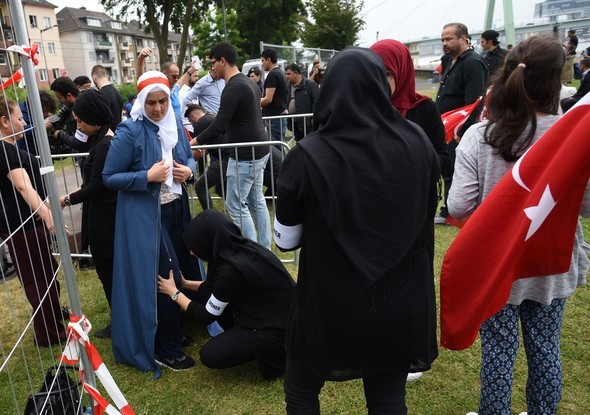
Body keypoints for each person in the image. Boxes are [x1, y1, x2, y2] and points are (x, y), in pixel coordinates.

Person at [274, 47, 439, 415]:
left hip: (330, 304)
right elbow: (426, 215)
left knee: (301, 391)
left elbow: (286, 239)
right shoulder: (418, 143)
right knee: (388, 400)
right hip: (399, 298)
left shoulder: (306, 154)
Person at [447, 36, 589, 415]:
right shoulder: (572, 139)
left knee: (498, 349)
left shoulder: (479, 136)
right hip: (551, 263)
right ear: (556, 81)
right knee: (546, 348)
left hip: (497, 264)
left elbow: (458, 204)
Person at [103, 71, 197, 375]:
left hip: (176, 210)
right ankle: (167, 348)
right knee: (163, 275)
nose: (158, 108)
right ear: (142, 102)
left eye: (162, 102)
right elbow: (109, 177)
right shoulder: (129, 131)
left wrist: (189, 172)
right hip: (148, 218)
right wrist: (146, 176)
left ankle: (170, 332)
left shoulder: (174, 124)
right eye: (151, 103)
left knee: (180, 270)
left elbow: (190, 159)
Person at [370, 38, 448, 383]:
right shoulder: (362, 108)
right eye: (375, 72)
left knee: (412, 280)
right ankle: (375, 345)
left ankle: (410, 352)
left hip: (414, 212)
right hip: (373, 212)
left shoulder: (422, 110)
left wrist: (407, 153)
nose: (381, 81)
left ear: (401, 72)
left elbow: (444, 159)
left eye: (387, 73)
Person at [158, 210, 295, 379]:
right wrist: (186, 284)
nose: (191, 253)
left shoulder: (230, 271)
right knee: (213, 300)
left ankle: (274, 352)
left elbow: (206, 315)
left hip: (274, 331)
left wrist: (174, 293)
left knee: (209, 354)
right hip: (283, 318)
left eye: (194, 247)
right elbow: (216, 288)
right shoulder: (239, 250)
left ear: (207, 243)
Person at [0, 99, 67, 347]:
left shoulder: (9, 147)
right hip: (22, 226)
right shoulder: (3, 150)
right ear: (4, 122)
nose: (24, 122)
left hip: (29, 223)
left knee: (46, 273)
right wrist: (47, 214)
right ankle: (48, 334)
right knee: (37, 280)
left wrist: (46, 209)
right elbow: (22, 185)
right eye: (19, 118)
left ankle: (52, 318)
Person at [195, 42, 271, 249]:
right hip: (259, 150)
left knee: (236, 205)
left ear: (222, 61)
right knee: (256, 201)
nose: (212, 69)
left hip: (246, 154)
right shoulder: (249, 83)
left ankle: (251, 252)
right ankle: (263, 249)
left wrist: (192, 142)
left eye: (213, 63)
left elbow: (218, 125)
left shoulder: (233, 87)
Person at [59, 89, 117, 339]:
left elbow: (95, 187)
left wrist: (66, 199)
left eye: (81, 121)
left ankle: (120, 320)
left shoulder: (104, 145)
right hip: (104, 215)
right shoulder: (102, 140)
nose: (78, 125)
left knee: (108, 272)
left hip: (104, 219)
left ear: (94, 118)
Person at [435, 22, 488, 225]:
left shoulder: (473, 62)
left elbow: (475, 101)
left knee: (456, 169)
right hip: (446, 125)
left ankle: (450, 212)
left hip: (458, 128)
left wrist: (463, 131)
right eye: (442, 40)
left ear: (464, 38)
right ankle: (448, 209)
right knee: (447, 168)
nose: (445, 43)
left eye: (449, 39)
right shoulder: (450, 60)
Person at [285, 63, 319, 141]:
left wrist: (314, 118)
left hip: (308, 125)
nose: (287, 76)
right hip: (295, 124)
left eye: (289, 74)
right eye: (286, 74)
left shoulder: (310, 84)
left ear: (296, 73)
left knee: (310, 145)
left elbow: (317, 101)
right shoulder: (288, 87)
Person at [261, 48, 288, 141]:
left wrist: (254, 103)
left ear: (268, 60)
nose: (262, 64)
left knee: (276, 149)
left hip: (275, 118)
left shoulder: (273, 75)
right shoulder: (280, 72)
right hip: (279, 116)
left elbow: (268, 99)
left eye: (263, 60)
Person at [91, 65, 124, 131]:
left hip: (107, 137)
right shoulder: (117, 93)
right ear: (107, 76)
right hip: (119, 134)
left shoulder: (99, 96)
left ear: (94, 77)